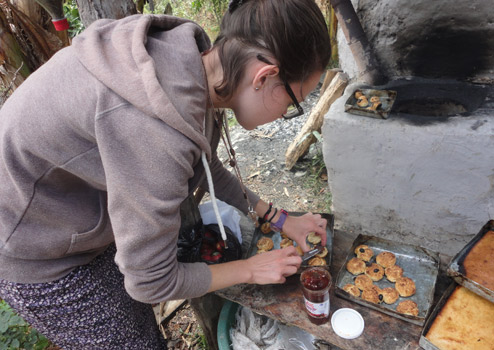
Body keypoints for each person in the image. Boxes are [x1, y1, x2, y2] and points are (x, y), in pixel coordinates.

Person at [0, 0, 331, 348]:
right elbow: (149, 282)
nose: (285, 115)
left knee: (134, 315)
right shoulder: (154, 128)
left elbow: (201, 166)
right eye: (294, 102)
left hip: (66, 212)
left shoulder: (191, 61)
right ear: (264, 76)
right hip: (32, 249)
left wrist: (278, 218)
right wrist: (252, 269)